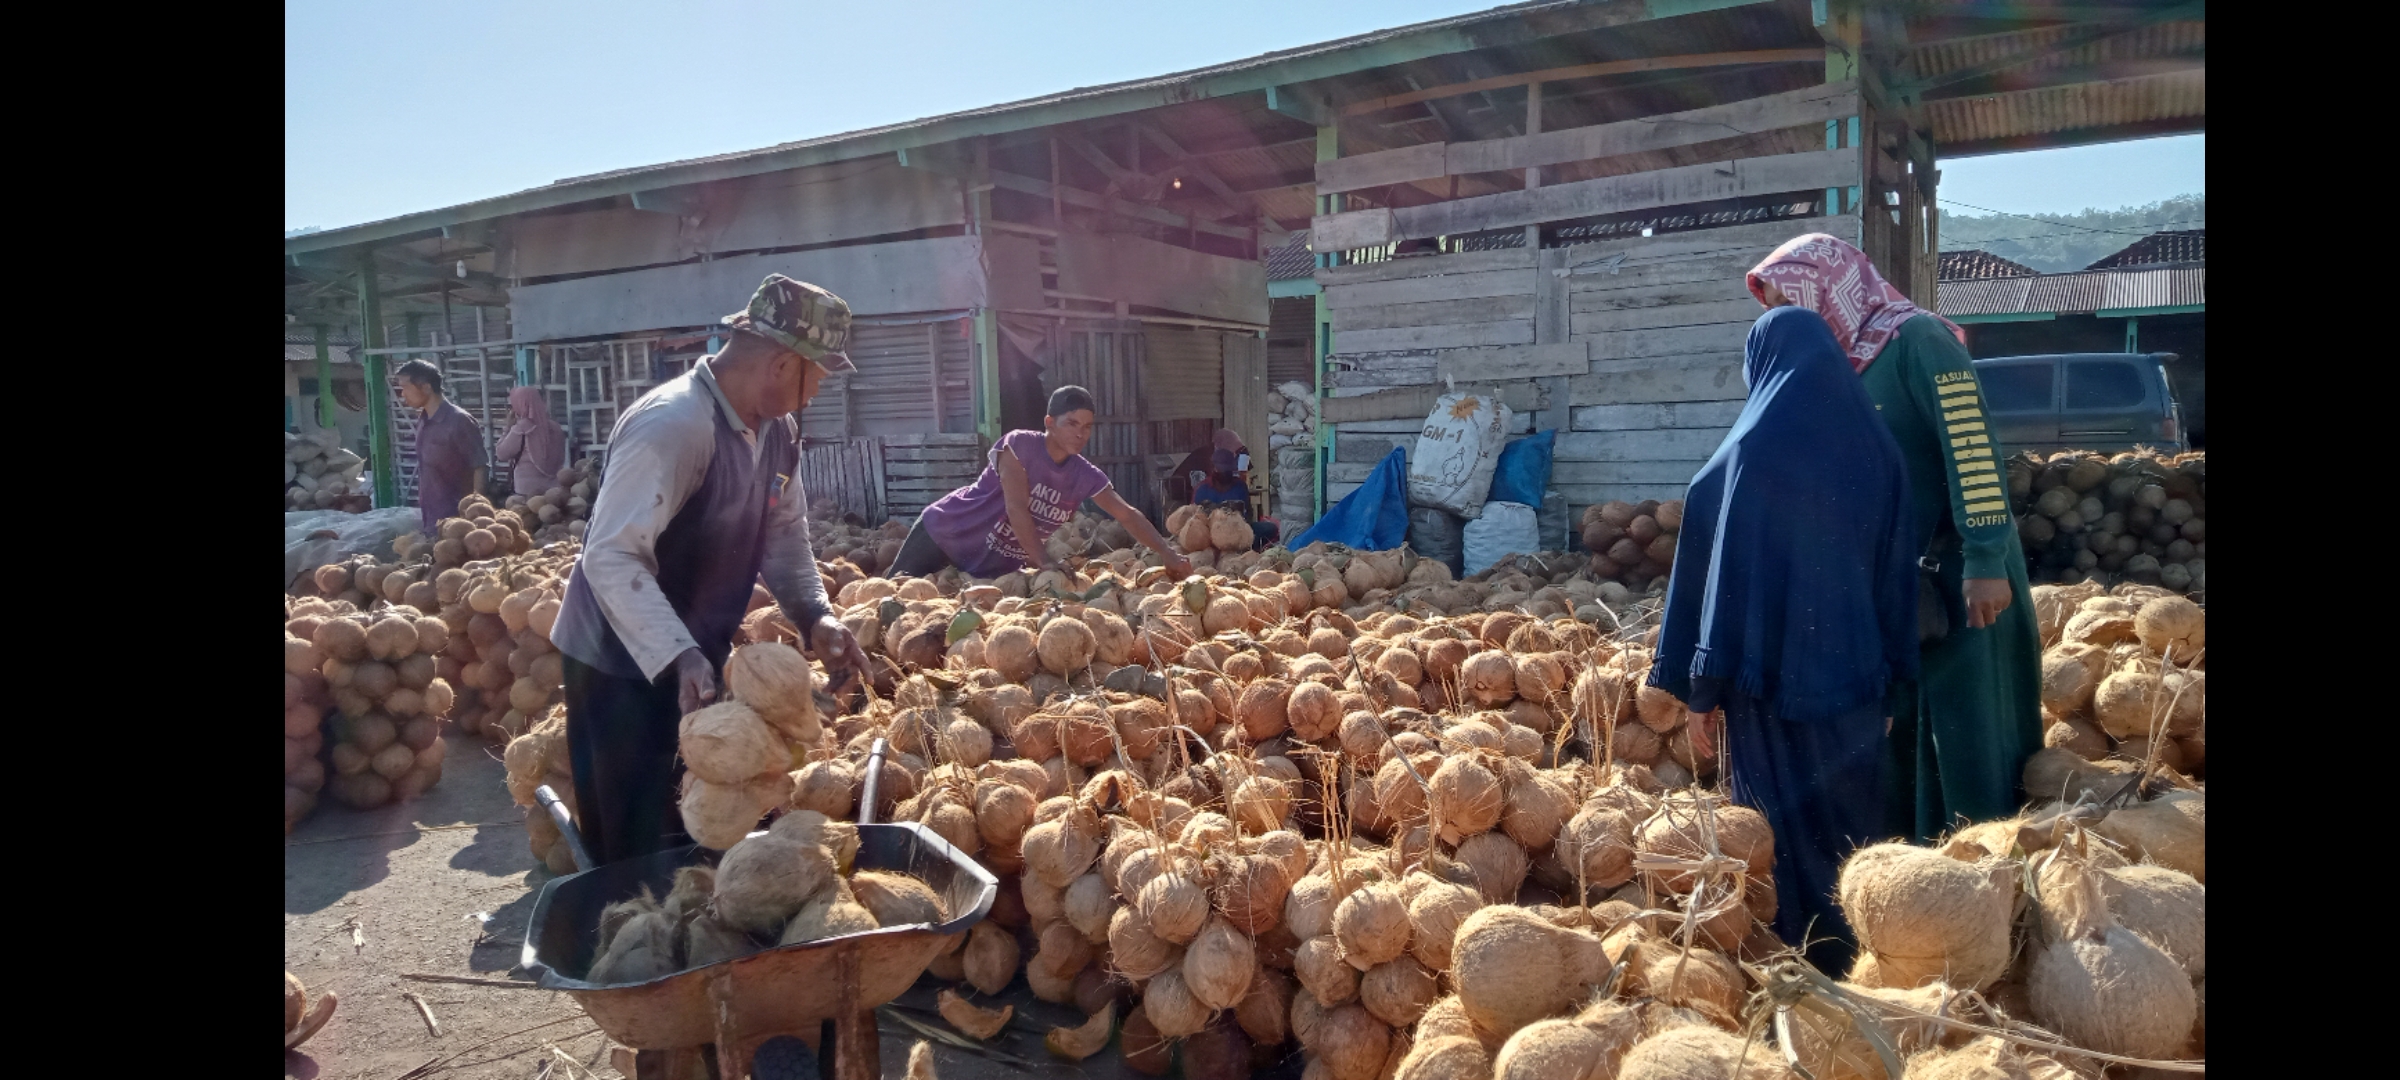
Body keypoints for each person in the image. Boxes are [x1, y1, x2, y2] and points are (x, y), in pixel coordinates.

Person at [550, 274, 871, 865]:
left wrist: (815, 614)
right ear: (781, 363)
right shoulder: (673, 425)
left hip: (691, 655)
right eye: (820, 372)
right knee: (637, 843)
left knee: (702, 827)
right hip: (618, 664)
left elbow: (781, 530)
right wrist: (677, 654)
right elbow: (611, 554)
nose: (821, 387)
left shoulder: (779, 431)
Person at [1647, 305, 1920, 971]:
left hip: (1760, 686)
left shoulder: (1748, 452)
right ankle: (1876, 960)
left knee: (1773, 832)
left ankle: (1796, 969)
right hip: (1854, 678)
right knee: (1856, 827)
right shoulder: (1876, 449)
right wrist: (1893, 682)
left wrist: (1700, 693)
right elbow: (1896, 577)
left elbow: (1716, 585)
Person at [1747, 233, 2045, 843]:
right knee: (1901, 720)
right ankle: (1919, 858)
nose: (1781, 316)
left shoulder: (1918, 341)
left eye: (1788, 299)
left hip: (1959, 568)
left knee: (1965, 720)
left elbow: (1972, 448)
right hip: (1890, 576)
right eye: (1773, 305)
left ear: (1828, 287)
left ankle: (1986, 859)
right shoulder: (1835, 364)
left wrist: (1985, 555)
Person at [884, 385, 1194, 579]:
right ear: (1049, 422)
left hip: (990, 569)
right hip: (944, 534)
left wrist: (1168, 554)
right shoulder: (1018, 446)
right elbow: (1016, 507)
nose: (1080, 433)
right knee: (894, 604)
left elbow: (1127, 514)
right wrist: (1044, 561)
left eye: (1087, 427)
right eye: (1071, 423)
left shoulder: (1084, 475)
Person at [394, 359, 487, 532]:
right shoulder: (423, 420)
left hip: (458, 521)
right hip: (431, 515)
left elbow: (480, 466)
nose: (402, 394)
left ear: (426, 387)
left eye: (405, 387)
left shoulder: (458, 420)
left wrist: (476, 511)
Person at [1191, 448, 1278, 550]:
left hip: (1238, 531)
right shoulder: (1202, 489)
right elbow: (1194, 520)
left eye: (1227, 470)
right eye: (1221, 470)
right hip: (1211, 536)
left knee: (1270, 528)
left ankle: (1249, 549)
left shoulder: (1240, 486)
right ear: (1213, 468)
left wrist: (1243, 526)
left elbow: (1249, 512)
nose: (1224, 473)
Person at [495, 386, 568, 497]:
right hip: (554, 491)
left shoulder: (522, 428)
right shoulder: (555, 428)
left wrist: (508, 428)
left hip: (526, 492)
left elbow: (501, 454)